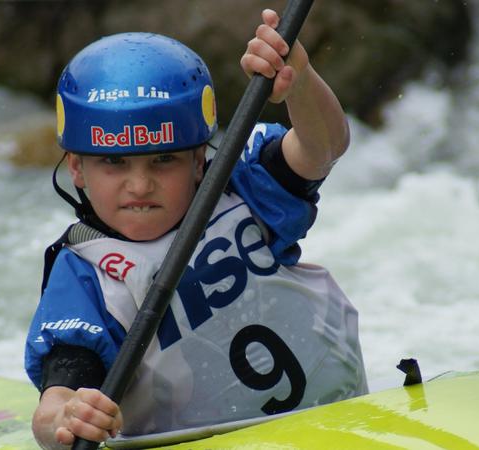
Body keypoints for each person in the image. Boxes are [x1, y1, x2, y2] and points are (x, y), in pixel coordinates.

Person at [25, 8, 367, 449]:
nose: (140, 185)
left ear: (199, 159)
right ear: (77, 167)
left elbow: (323, 148)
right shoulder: (85, 273)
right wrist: (67, 419)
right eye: (114, 162)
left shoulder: (243, 188)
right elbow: (56, 401)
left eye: (163, 159)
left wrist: (299, 82)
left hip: (339, 422)